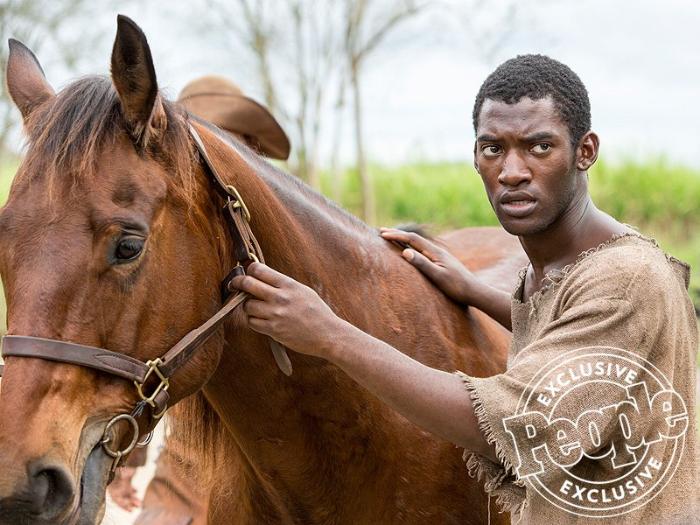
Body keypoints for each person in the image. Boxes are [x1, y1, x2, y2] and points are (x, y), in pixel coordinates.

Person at [230, 55, 698, 524]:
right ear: (475, 157)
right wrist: (475, 291)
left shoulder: (625, 278)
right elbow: (571, 340)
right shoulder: (566, 268)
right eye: (493, 148)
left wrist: (330, 334)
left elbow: (515, 424)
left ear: (585, 151)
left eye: (539, 147)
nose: (512, 171)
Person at [107, 75, 291, 525]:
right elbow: (149, 345)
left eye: (233, 143)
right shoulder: (172, 241)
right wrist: (129, 459)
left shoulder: (279, 232)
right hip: (193, 442)